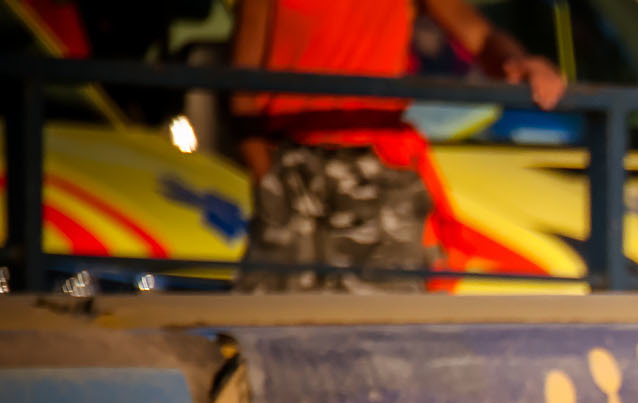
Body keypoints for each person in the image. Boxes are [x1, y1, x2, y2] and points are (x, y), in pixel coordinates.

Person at [230, 0, 561, 291]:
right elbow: (240, 85)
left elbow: (480, 35)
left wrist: (521, 63)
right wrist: (266, 173)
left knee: (386, 319)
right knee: (275, 316)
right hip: (291, 163)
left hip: (378, 167)